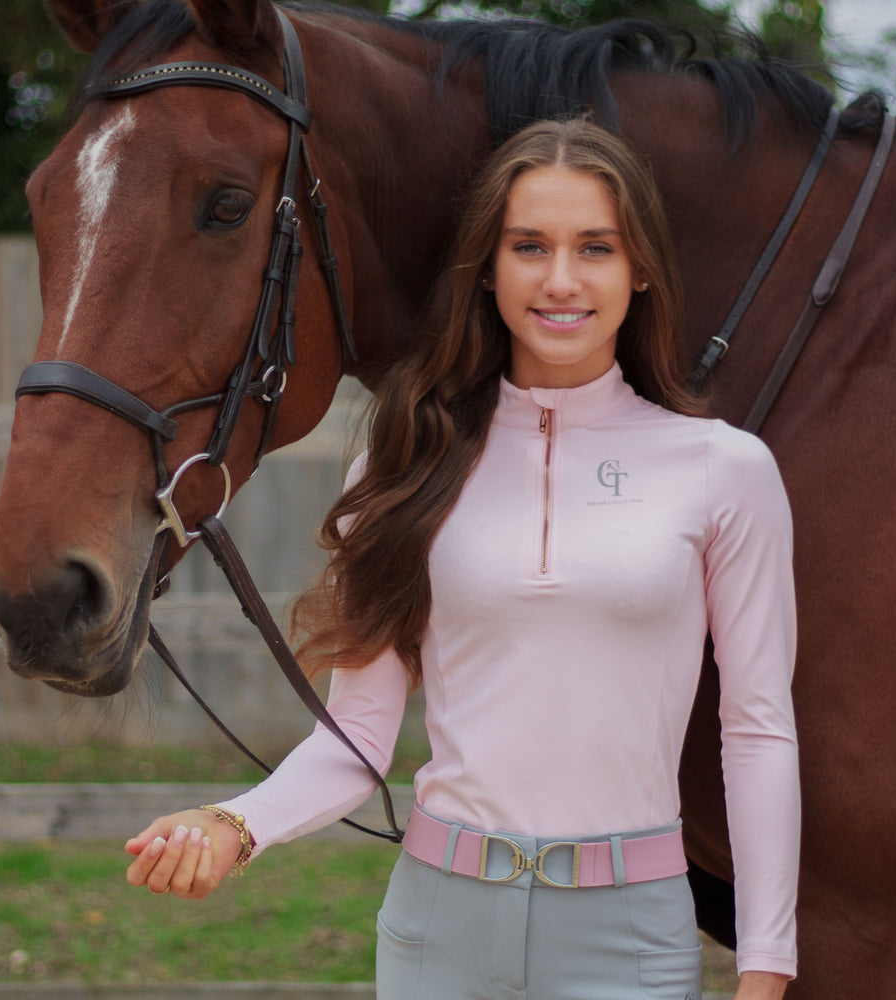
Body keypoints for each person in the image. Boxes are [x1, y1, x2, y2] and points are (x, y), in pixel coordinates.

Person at [125, 117, 800, 1000]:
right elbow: (357, 737)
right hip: (437, 928)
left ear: (639, 268)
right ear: (488, 268)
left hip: (631, 934)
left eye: (595, 247)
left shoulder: (724, 470)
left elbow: (756, 730)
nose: (561, 279)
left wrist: (765, 964)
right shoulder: (404, 468)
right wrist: (234, 824)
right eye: (530, 246)